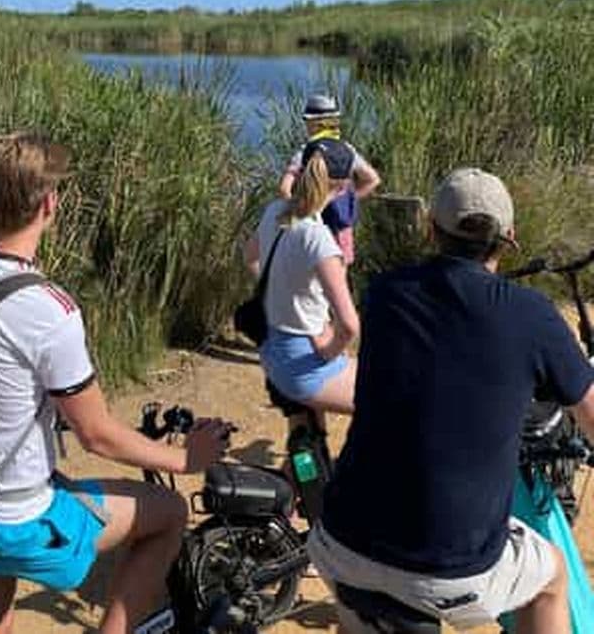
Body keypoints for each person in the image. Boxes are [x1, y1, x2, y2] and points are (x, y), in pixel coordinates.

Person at [0, 132, 228, 634]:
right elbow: (96, 435)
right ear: (50, 204)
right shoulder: (48, 310)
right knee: (169, 513)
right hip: (19, 516)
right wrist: (185, 458)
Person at [307, 167, 594, 633]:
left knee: (359, 604)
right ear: (509, 239)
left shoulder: (384, 294)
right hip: (449, 569)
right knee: (552, 578)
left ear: (430, 230)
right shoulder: (532, 314)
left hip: (339, 543)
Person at [246, 137, 361, 416]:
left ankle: (304, 455)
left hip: (270, 349)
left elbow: (250, 257)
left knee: (307, 438)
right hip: (303, 364)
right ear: (343, 186)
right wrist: (330, 350)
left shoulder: (274, 211)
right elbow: (349, 326)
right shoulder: (319, 239)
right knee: (389, 393)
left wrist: (277, 293)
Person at [279, 92, 380, 267]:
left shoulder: (305, 152)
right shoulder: (347, 149)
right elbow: (372, 179)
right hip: (341, 228)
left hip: (313, 227)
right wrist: (349, 199)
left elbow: (284, 189)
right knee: (339, 279)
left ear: (313, 123)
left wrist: (295, 215)